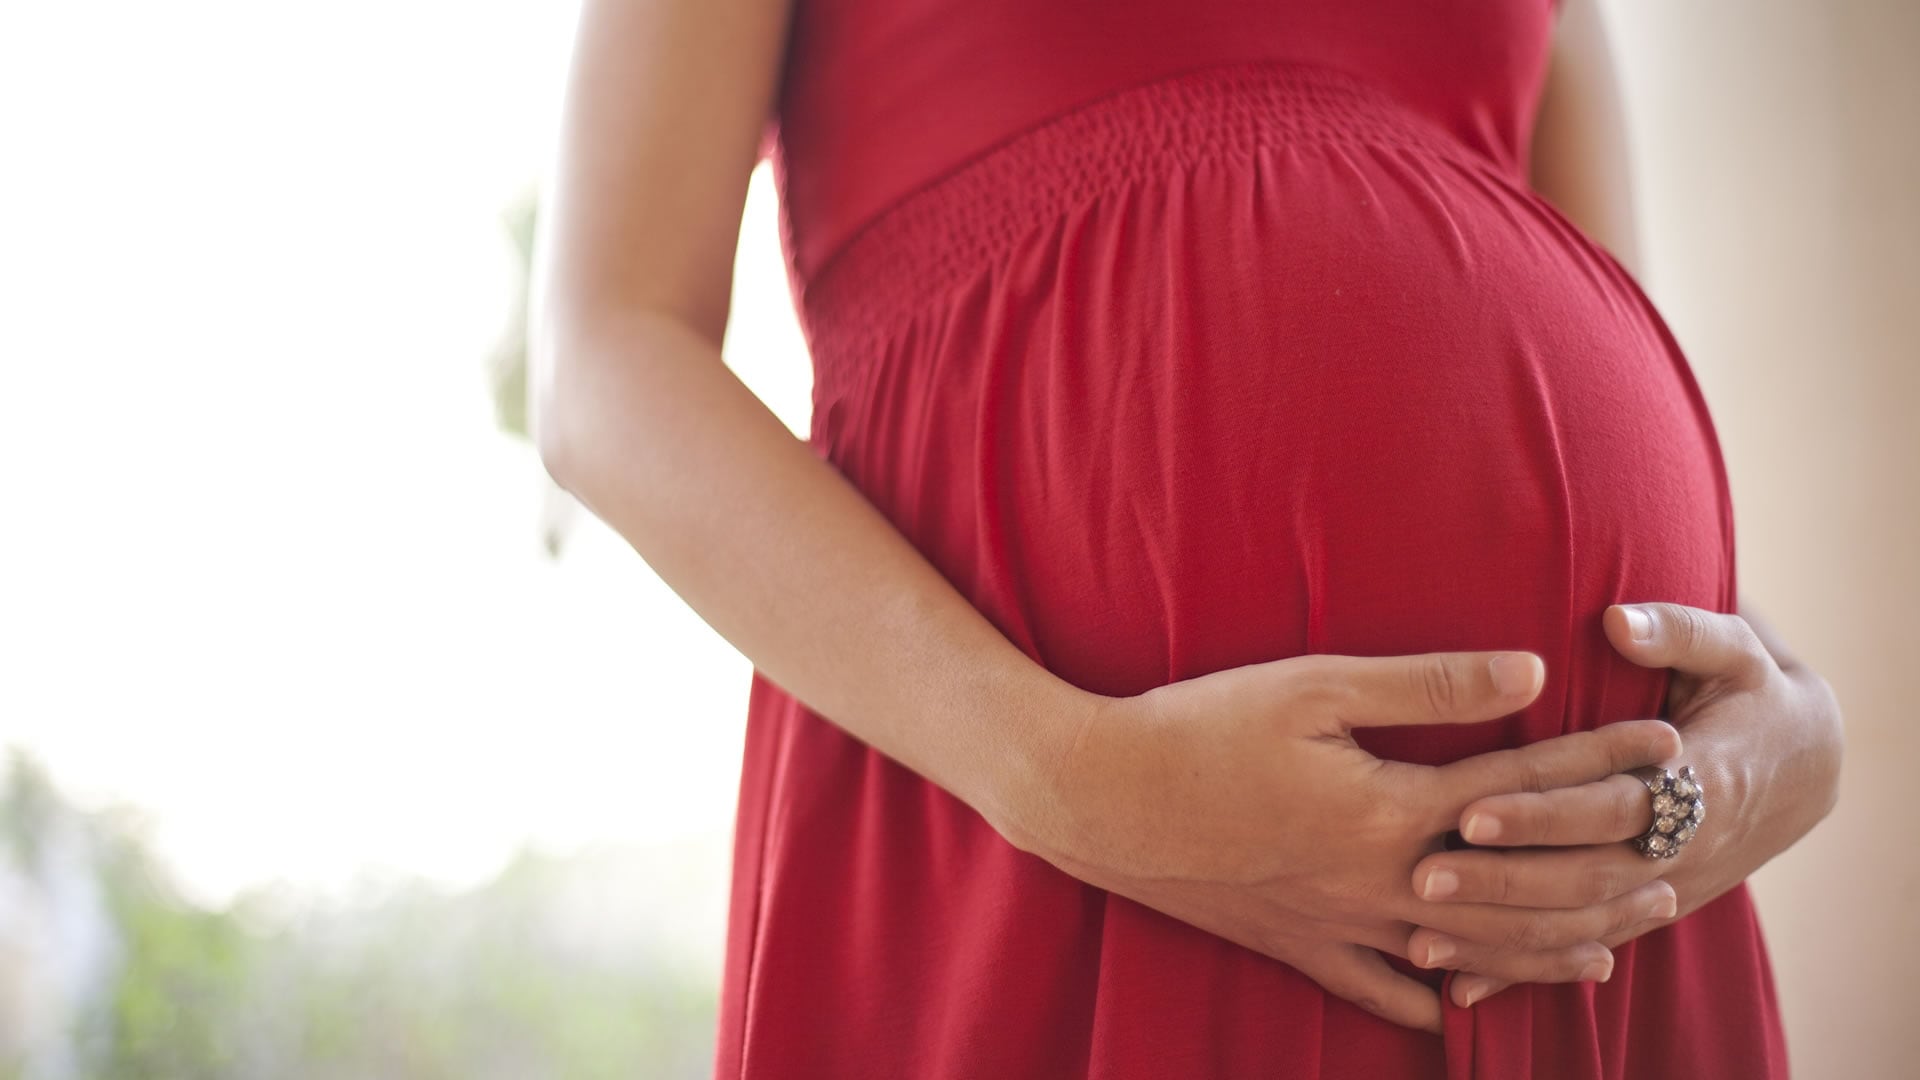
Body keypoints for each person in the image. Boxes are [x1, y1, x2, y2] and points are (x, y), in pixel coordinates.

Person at [529, 0, 1845, 1075]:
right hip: (1056, 850)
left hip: (1584, 916)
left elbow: (1595, 327)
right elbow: (607, 355)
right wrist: (1072, 777)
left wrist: (1776, 723)